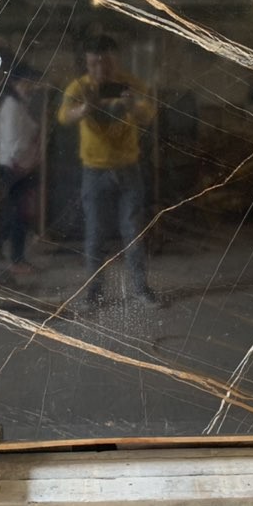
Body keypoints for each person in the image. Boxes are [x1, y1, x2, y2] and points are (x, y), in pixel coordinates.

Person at [58, 35, 157, 305]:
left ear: (117, 60)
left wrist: (131, 105)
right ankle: (94, 292)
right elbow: (64, 116)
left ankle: (140, 289)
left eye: (107, 64)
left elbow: (148, 114)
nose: (100, 70)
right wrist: (84, 108)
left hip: (128, 168)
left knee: (133, 231)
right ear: (87, 63)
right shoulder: (79, 87)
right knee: (95, 233)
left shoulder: (133, 85)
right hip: (94, 170)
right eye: (94, 64)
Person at [0, 63, 42, 274]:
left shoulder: (20, 104)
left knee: (20, 214)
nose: (31, 86)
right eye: (27, 82)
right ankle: (16, 260)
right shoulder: (12, 106)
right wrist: (25, 162)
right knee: (18, 215)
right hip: (15, 166)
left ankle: (15, 256)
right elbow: (13, 141)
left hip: (23, 165)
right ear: (16, 83)